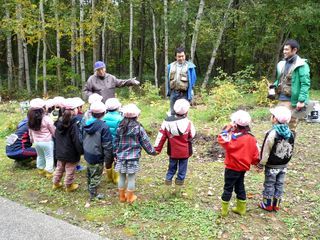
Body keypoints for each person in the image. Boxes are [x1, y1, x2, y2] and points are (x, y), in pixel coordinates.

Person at [217, 110, 259, 217]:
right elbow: (255, 154)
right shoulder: (251, 138)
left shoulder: (233, 138)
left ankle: (224, 211)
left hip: (231, 168)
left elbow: (221, 138)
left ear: (235, 124)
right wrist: (256, 163)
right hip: (243, 168)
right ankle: (241, 208)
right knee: (240, 186)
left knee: (228, 188)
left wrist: (228, 127)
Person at [113, 104, 156, 203]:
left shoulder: (120, 127)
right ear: (136, 116)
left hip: (121, 156)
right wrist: (152, 152)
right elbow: (145, 141)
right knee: (131, 177)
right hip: (133, 157)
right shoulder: (138, 128)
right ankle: (130, 197)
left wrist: (115, 154)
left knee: (122, 176)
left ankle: (122, 197)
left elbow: (115, 142)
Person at [257, 106, 294, 212]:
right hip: (283, 165)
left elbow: (266, 150)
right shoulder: (290, 133)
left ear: (275, 119)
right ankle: (276, 204)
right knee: (279, 184)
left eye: (272, 116)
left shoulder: (272, 133)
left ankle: (267, 204)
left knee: (269, 183)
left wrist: (261, 164)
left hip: (272, 165)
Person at [270, 39, 311, 134]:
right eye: (284, 49)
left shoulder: (302, 65)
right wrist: (274, 86)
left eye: (287, 49)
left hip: (293, 101)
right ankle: (277, 147)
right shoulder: (282, 64)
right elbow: (281, 79)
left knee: (290, 126)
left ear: (294, 50)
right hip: (281, 98)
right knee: (276, 122)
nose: (284, 51)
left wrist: (301, 101)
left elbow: (305, 84)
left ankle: (288, 148)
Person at [154, 99, 196, 190]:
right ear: (187, 111)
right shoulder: (189, 123)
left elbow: (161, 136)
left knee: (171, 168)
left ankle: (167, 187)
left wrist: (157, 149)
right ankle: (178, 190)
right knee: (182, 171)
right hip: (185, 152)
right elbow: (192, 135)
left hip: (172, 151)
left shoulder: (166, 122)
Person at [83, 101, 113, 201]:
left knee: (89, 171)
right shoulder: (103, 126)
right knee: (96, 175)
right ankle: (93, 195)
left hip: (87, 151)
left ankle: (89, 187)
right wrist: (108, 158)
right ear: (104, 113)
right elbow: (107, 145)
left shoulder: (86, 122)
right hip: (97, 154)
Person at [52, 99, 83, 192]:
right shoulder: (74, 125)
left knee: (59, 168)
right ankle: (69, 186)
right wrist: (81, 151)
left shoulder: (58, 123)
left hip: (60, 151)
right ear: (74, 111)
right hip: (71, 153)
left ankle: (56, 183)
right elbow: (76, 140)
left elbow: (56, 137)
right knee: (70, 169)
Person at [28, 98, 56, 178]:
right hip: (47, 141)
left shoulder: (30, 119)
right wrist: (55, 136)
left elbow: (30, 131)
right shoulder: (46, 119)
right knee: (49, 157)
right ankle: (49, 172)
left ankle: (40, 169)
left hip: (36, 142)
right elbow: (52, 129)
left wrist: (31, 139)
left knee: (40, 156)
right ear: (43, 109)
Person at [167, 47, 197, 115]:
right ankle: (173, 125)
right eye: (179, 56)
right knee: (173, 112)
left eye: (182, 56)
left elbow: (193, 80)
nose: (181, 58)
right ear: (175, 57)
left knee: (183, 114)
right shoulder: (170, 66)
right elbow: (168, 79)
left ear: (185, 56)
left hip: (185, 94)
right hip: (174, 93)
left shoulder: (190, 67)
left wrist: (191, 92)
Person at [102, 98, 123, 184]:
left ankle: (109, 177)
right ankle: (116, 178)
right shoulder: (120, 118)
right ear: (118, 107)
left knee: (108, 160)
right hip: (117, 144)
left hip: (106, 143)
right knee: (117, 160)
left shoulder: (104, 117)